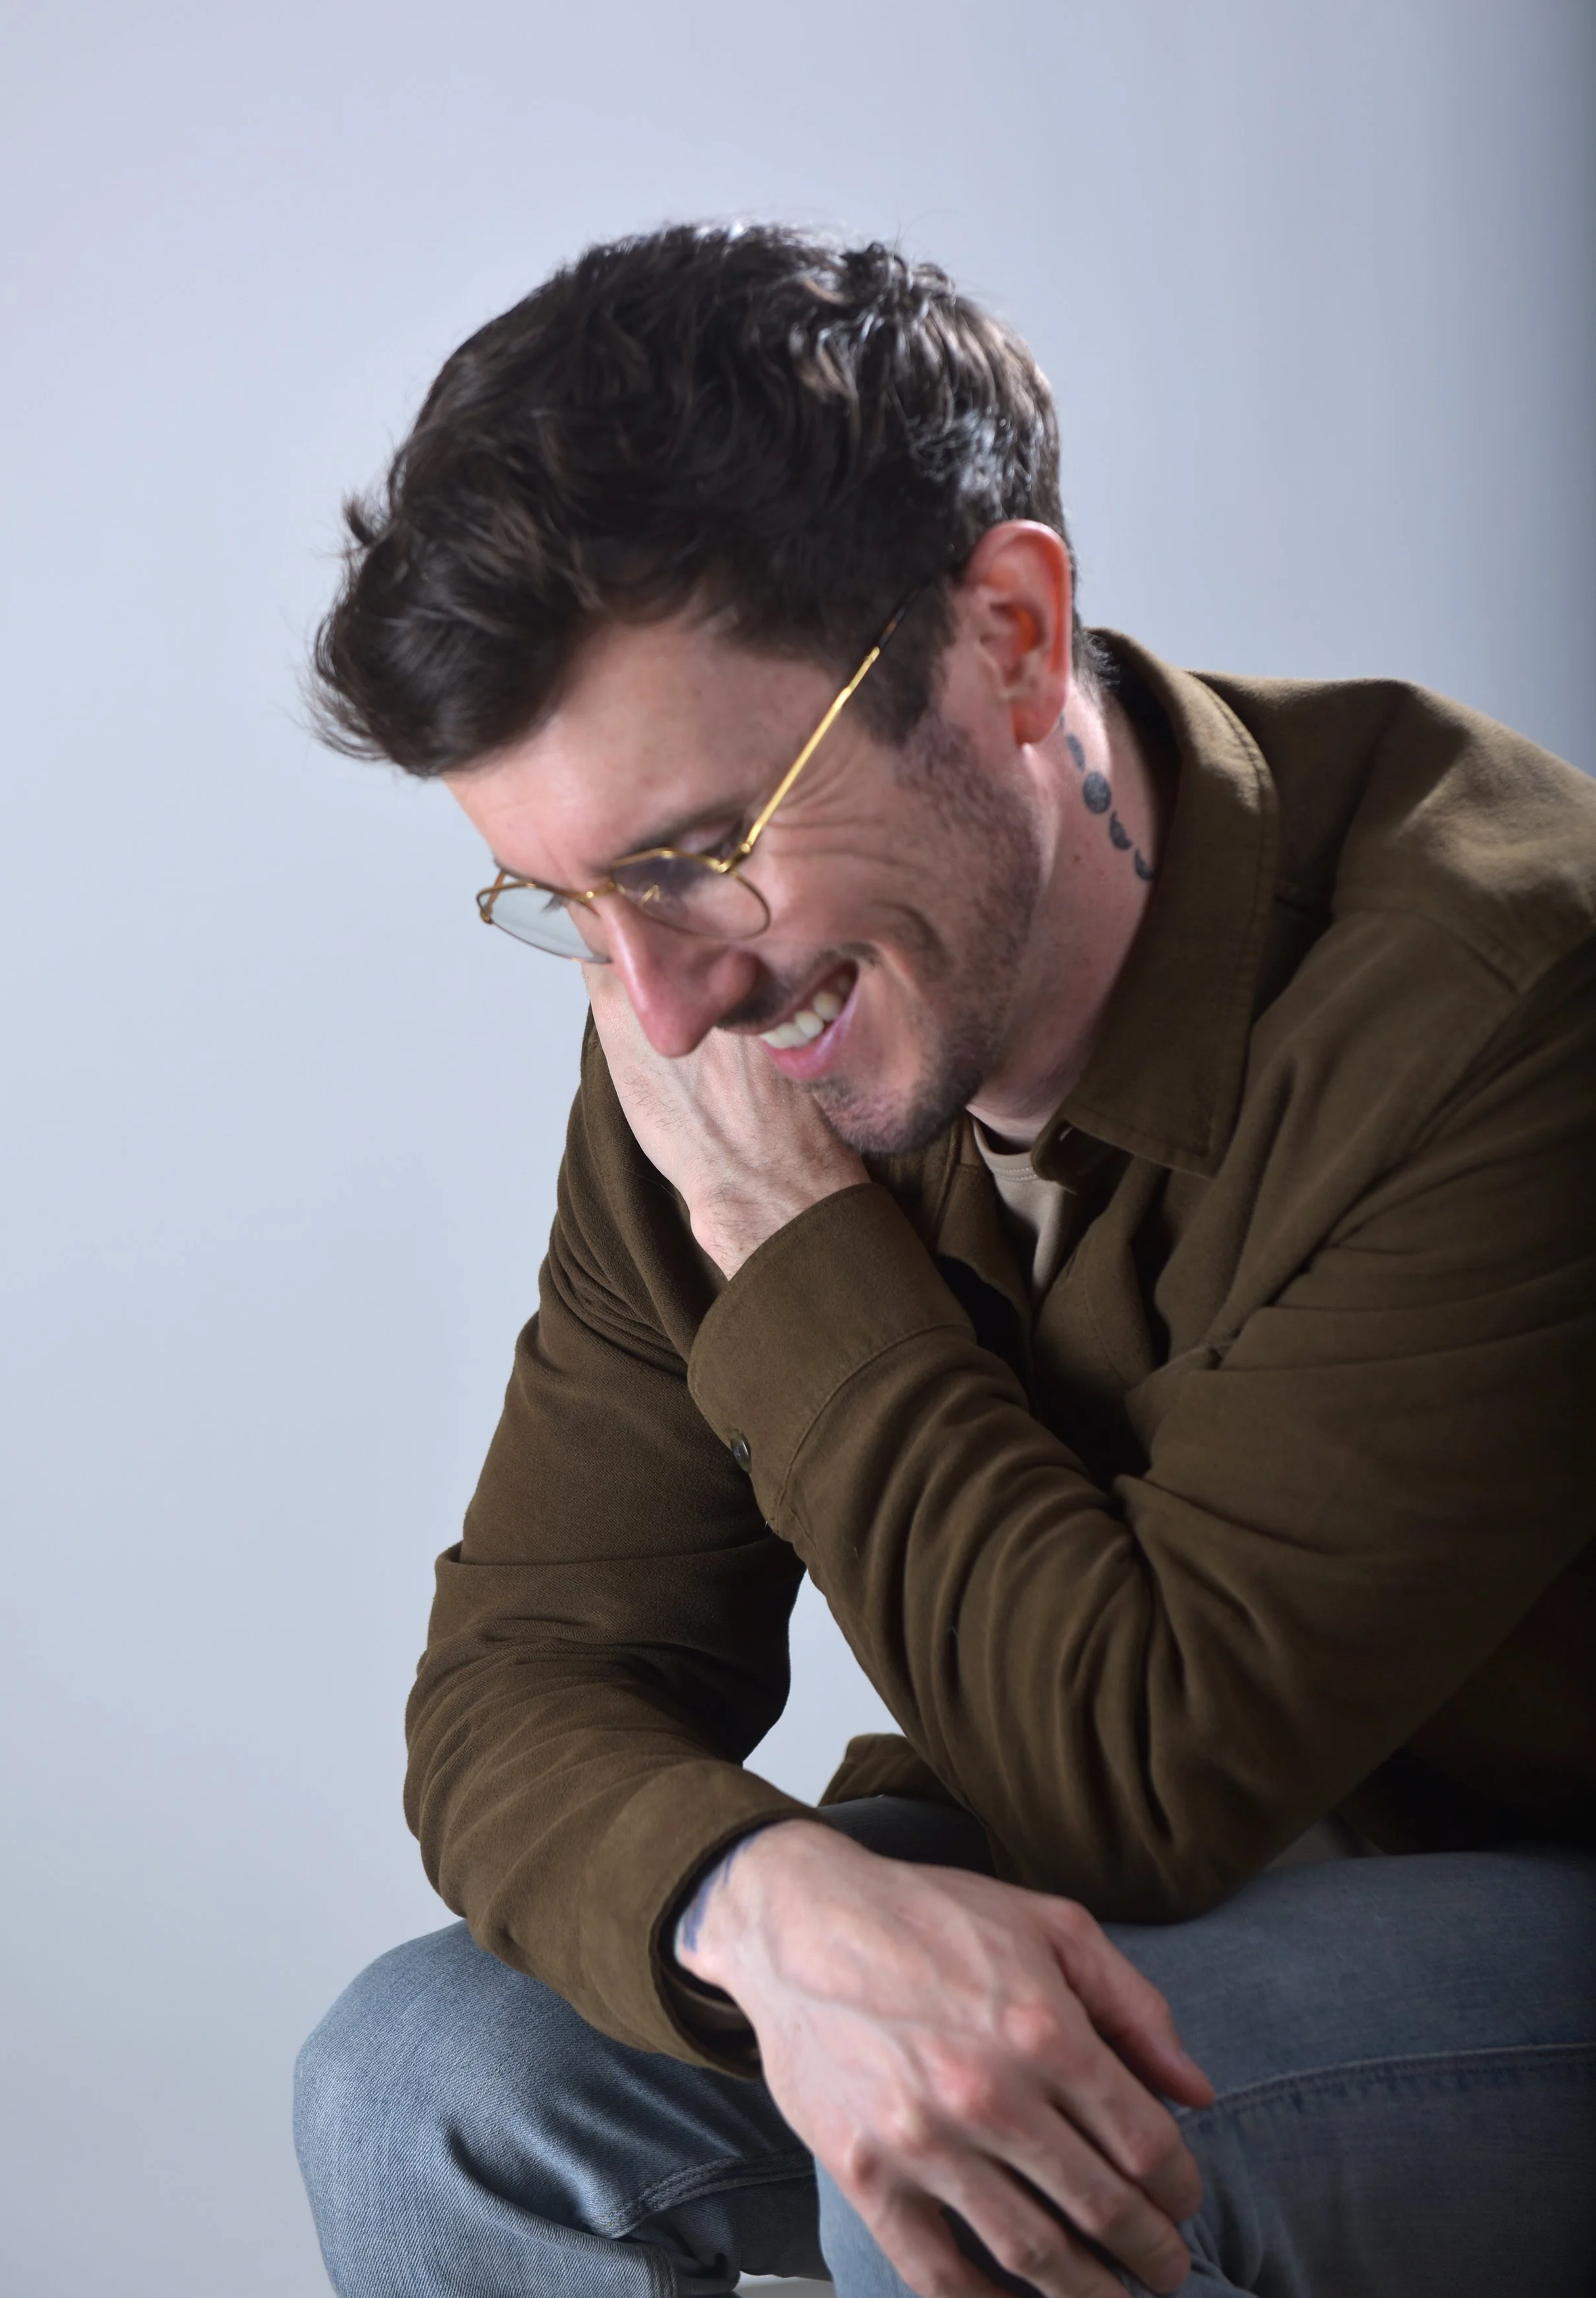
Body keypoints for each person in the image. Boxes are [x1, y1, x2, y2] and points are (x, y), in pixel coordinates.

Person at [292, 225, 1596, 2298]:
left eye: (691, 848)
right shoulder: (717, 1010)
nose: (655, 999)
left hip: (1521, 1880)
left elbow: (1146, 1781)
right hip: (1132, 1847)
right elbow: (523, 1684)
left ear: (1004, 635)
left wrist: (785, 1233)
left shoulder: (1509, 985)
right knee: (427, 2080)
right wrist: (759, 1894)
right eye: (559, 902)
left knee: (1023, 2150)